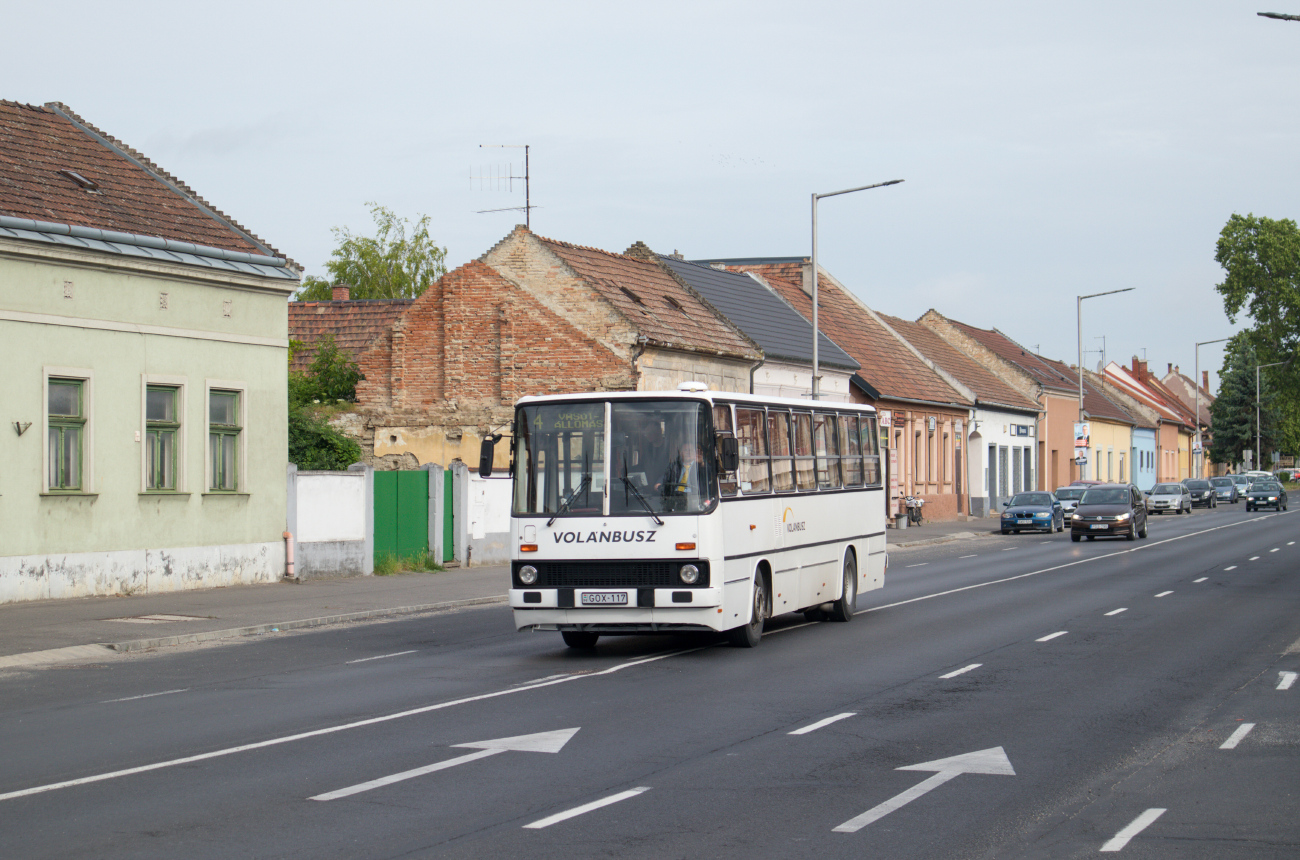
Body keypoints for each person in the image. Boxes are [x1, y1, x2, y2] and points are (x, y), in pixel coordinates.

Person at [656, 442, 706, 510]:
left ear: (695, 453)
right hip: (675, 497)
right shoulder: (674, 466)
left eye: (691, 450)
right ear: (680, 453)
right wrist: (659, 483)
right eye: (685, 450)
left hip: (693, 497)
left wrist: (702, 463)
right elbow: (664, 477)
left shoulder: (700, 466)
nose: (688, 452)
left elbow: (709, 474)